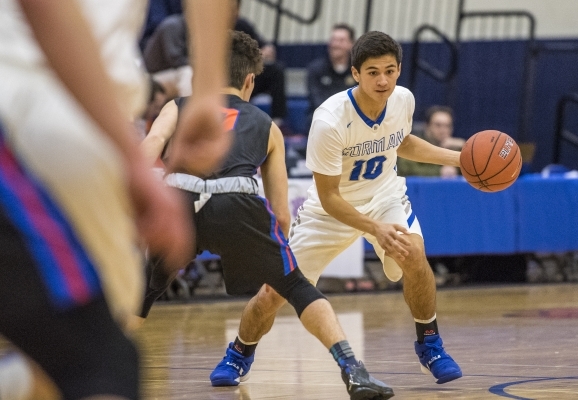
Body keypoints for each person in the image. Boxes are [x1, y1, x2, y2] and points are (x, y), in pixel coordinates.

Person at [139, 31, 394, 400]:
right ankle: (354, 371)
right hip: (238, 202)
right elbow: (280, 213)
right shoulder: (267, 125)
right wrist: (277, 256)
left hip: (180, 197)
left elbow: (149, 147)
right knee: (296, 287)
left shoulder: (179, 105)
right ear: (249, 81)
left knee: (143, 291)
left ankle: (94, 374)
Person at [0, 0, 230, 398]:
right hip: (51, 113)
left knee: (85, 353)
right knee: (100, 364)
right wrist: (205, 91)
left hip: (68, 116)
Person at [211, 31, 464, 387]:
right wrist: (375, 229)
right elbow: (329, 196)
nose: (383, 80)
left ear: (399, 70)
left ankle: (430, 344)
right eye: (373, 72)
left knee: (415, 252)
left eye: (390, 71)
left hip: (384, 197)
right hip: (330, 211)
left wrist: (457, 158)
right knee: (272, 293)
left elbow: (401, 140)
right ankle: (239, 352)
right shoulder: (330, 119)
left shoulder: (403, 100)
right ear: (356, 73)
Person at [233, 0, 287, 124]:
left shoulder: (243, 25)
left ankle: (278, 122)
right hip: (223, 78)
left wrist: (267, 50)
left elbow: (261, 46)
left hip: (245, 75)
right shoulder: (212, 29)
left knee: (276, 71)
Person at [306, 23, 356, 127]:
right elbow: (316, 101)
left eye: (341, 40)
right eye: (333, 40)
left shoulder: (359, 70)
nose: (336, 44)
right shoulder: (315, 69)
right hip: (323, 121)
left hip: (352, 122)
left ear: (351, 44)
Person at [397, 105, 465, 177]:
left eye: (447, 126)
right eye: (438, 125)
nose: (443, 130)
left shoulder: (455, 147)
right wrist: (438, 172)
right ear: (427, 126)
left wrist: (464, 145)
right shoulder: (413, 144)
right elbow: (406, 170)